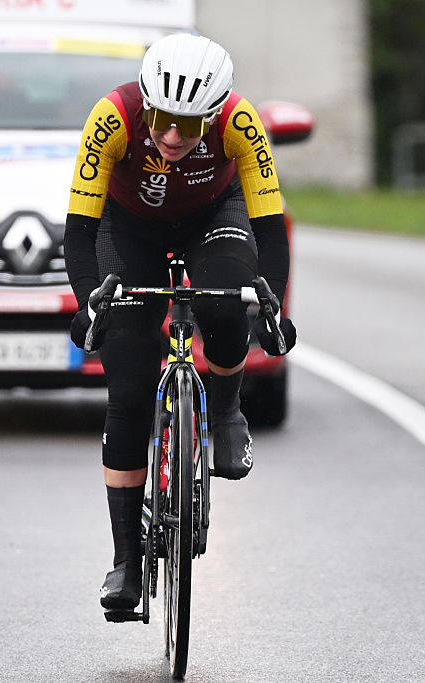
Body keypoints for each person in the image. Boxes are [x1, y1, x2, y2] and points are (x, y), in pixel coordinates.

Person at [64, 32, 298, 612]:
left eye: (189, 126)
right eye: (164, 119)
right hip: (130, 231)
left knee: (224, 303)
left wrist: (269, 301)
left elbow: (270, 228)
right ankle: (126, 562)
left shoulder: (240, 122)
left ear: (213, 115)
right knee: (129, 385)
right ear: (147, 101)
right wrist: (90, 299)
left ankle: (223, 410)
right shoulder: (111, 118)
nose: (172, 136)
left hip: (214, 217)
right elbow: (78, 230)